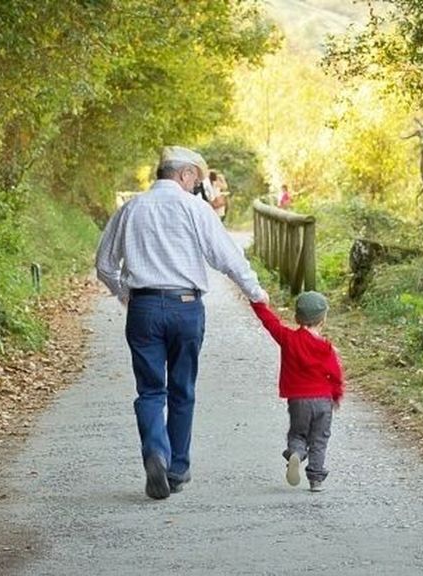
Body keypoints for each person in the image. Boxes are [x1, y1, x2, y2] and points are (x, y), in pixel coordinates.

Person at [95, 145, 269, 500]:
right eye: (196, 179)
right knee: (182, 389)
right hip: (186, 307)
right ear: (184, 174)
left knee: (149, 391)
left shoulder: (131, 209)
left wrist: (125, 294)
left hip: (144, 307)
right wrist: (255, 292)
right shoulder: (195, 208)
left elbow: (104, 265)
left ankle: (156, 453)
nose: (196, 186)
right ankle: (176, 469)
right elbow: (227, 257)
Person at [250, 291, 344, 492]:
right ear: (323, 319)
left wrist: (257, 302)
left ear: (297, 317)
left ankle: (296, 454)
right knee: (319, 439)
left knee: (298, 434)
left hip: (298, 401)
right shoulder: (326, 348)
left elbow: (270, 322)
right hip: (323, 401)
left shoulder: (288, 338)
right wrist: (336, 396)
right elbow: (336, 375)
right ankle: (316, 480)